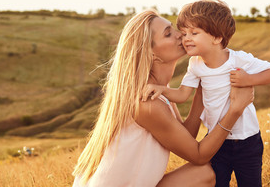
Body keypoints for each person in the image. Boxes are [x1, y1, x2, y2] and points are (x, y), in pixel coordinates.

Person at [72, 10, 254, 187]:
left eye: (173, 28)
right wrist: (235, 110)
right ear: (151, 53)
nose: (180, 35)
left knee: (206, 172)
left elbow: (185, 137)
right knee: (206, 173)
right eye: (168, 34)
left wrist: (202, 87)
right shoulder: (148, 102)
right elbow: (198, 155)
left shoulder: (159, 89)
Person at [142, 0, 270, 187]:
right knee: (216, 182)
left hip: (247, 140)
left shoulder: (238, 59)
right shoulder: (196, 64)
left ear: (217, 37)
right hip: (217, 141)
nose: (185, 39)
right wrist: (162, 90)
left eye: (194, 33)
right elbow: (182, 95)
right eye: (184, 33)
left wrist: (249, 80)